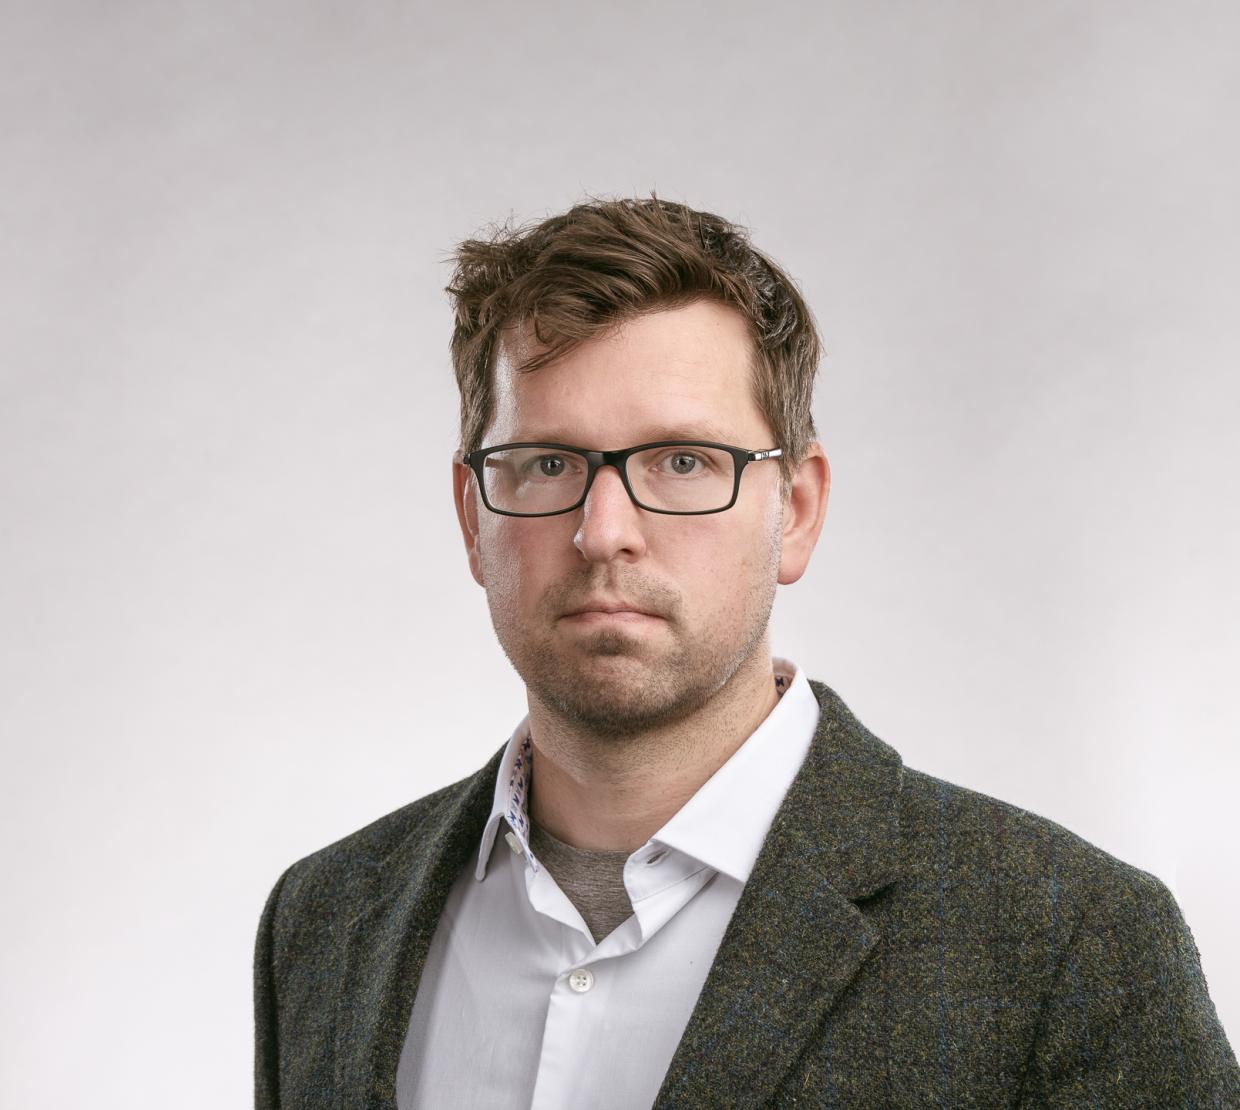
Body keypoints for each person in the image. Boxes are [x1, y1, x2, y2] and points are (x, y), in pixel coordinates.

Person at [253, 196, 1239, 1108]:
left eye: (681, 462)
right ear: (474, 518)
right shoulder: (327, 919)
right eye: (546, 463)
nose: (605, 531)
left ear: (796, 510)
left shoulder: (1068, 942)